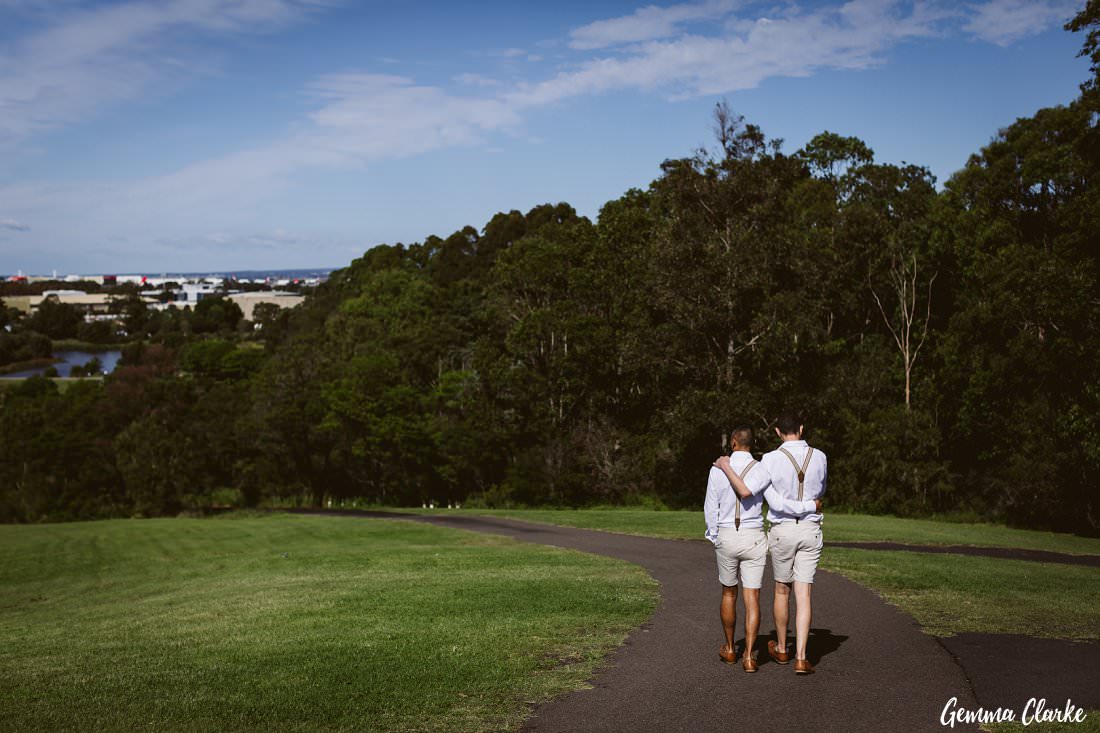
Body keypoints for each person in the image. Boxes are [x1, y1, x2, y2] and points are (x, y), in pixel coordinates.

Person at [717, 411, 827, 675]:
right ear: (801, 428)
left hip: (782, 530)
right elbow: (820, 491)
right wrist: (809, 505)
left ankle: (780, 647)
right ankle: (801, 656)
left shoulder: (769, 460)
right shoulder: (820, 456)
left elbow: (774, 503)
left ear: (777, 432)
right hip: (811, 528)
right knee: (805, 594)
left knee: (781, 590)